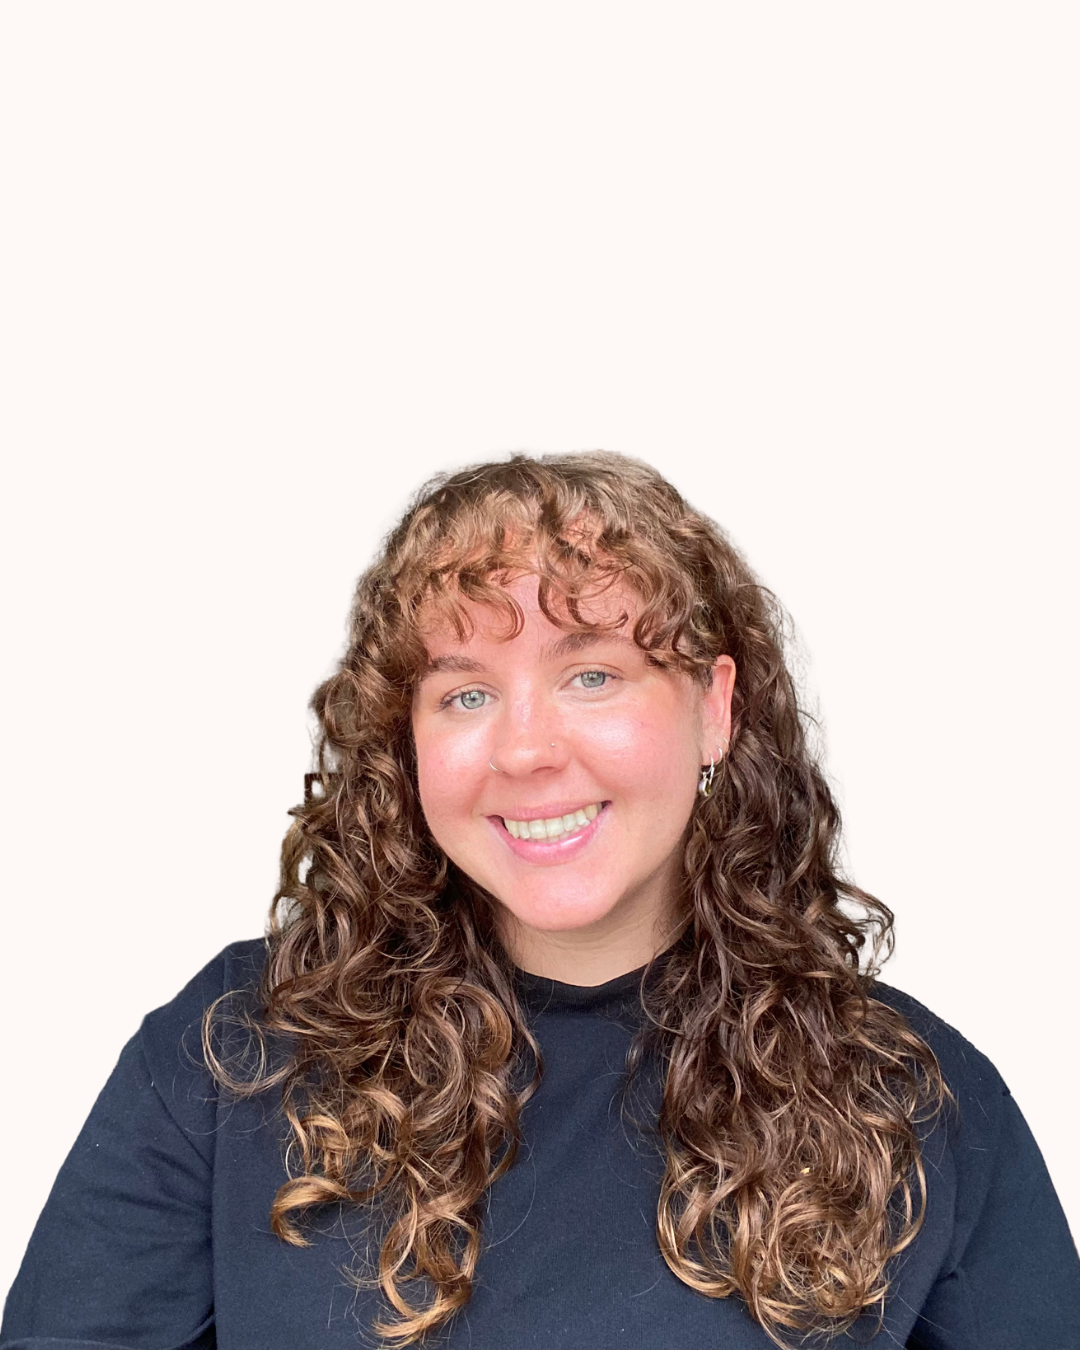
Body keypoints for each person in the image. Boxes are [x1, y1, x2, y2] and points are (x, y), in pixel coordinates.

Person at [3, 450, 1078, 1350]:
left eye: (593, 673)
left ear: (714, 707)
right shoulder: (232, 1056)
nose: (524, 749)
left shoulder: (916, 1102)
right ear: (407, 742)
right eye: (466, 692)